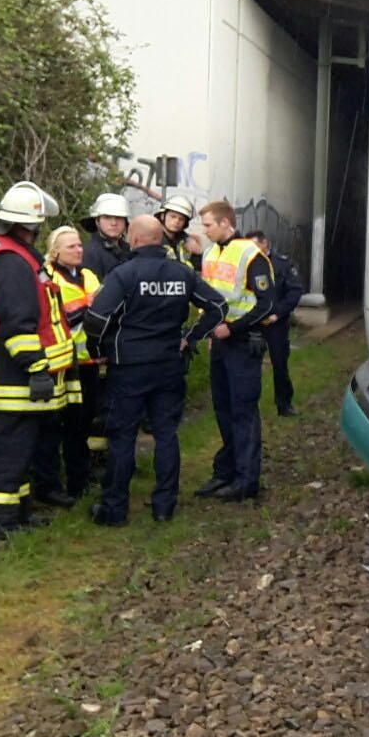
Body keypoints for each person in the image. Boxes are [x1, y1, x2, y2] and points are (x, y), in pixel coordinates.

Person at [83, 216, 225, 525]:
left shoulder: (124, 274)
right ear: (160, 239)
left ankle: (114, 510)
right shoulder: (182, 273)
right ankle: (164, 506)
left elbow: (96, 320)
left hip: (129, 366)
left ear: (133, 239)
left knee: (122, 437)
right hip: (169, 364)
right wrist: (191, 337)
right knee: (166, 434)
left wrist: (97, 351)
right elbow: (218, 306)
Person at [0, 181, 72, 539]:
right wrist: (36, 366)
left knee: (21, 448)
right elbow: (18, 322)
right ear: (31, 225)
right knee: (9, 450)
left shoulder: (8, 252)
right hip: (11, 376)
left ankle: (17, 513)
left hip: (8, 374)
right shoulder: (12, 261)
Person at [192, 200, 273, 502]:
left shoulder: (252, 255)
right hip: (220, 341)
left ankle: (246, 480)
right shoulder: (212, 251)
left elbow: (266, 303)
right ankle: (225, 472)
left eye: (209, 225)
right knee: (223, 409)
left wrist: (233, 328)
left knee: (243, 411)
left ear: (226, 223)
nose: (205, 230)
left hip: (242, 341)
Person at [29, 227, 100, 506]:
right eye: (72, 247)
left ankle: (79, 480)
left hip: (88, 361)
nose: (79, 250)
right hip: (59, 364)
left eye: (80, 245)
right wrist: (87, 309)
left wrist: (87, 309)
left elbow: (103, 307)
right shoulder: (47, 277)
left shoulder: (88, 275)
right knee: (54, 428)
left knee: (81, 425)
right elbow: (54, 318)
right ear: (55, 251)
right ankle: (51, 485)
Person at [245, 231, 303, 416]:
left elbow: (294, 292)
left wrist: (278, 314)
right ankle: (249, 406)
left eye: (255, 245)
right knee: (249, 366)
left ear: (265, 243)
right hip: (253, 323)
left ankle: (284, 404)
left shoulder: (281, 264)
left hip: (276, 323)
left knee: (279, 364)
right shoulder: (245, 264)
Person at [81, 192, 131, 281]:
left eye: (119, 218)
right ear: (97, 221)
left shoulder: (130, 250)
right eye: (107, 217)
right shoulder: (89, 253)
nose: (114, 223)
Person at [157, 195, 200, 267]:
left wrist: (197, 254)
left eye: (181, 219)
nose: (177, 221)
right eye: (173, 216)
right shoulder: (153, 240)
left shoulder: (188, 242)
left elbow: (197, 269)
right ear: (162, 216)